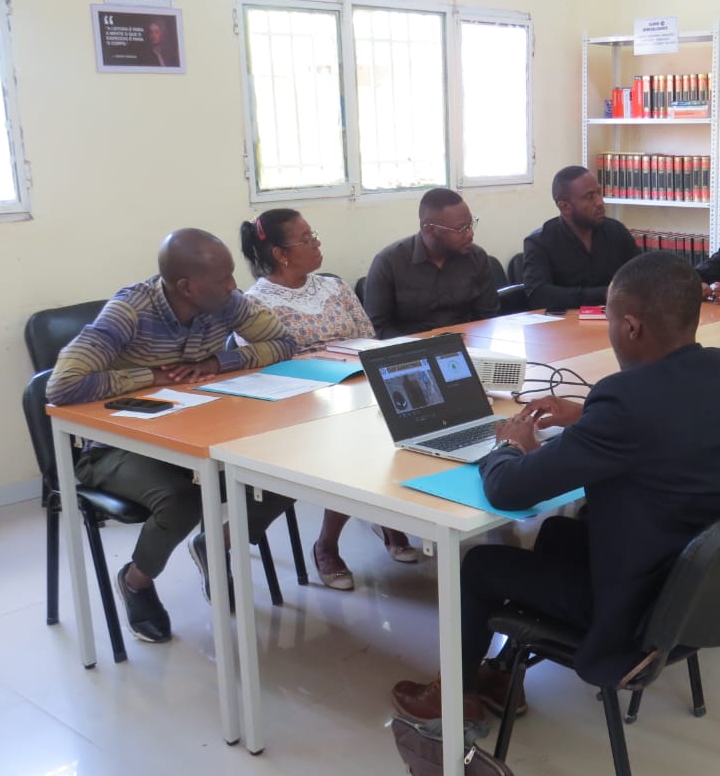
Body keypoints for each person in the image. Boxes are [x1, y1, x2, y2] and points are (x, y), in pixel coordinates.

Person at [390, 252, 720, 723]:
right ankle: (501, 673)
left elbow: (508, 491)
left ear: (631, 327)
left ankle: (454, 697)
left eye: (610, 320)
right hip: (708, 587)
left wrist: (509, 444)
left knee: (479, 565)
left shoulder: (626, 403)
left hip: (645, 609)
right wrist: (591, 416)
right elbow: (672, 419)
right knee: (557, 534)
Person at [48, 229, 298, 643]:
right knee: (181, 500)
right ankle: (136, 581)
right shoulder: (130, 311)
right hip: (115, 448)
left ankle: (214, 545)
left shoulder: (225, 302)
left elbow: (284, 342)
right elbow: (62, 385)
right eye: (222, 278)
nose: (233, 285)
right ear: (186, 287)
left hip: (191, 432)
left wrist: (219, 362)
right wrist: (151, 376)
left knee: (283, 474)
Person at [239, 209, 417, 578]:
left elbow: (367, 337)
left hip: (356, 389)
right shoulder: (255, 304)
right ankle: (327, 544)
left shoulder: (334, 287)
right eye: (306, 239)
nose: (317, 243)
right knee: (357, 445)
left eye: (313, 234)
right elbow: (259, 370)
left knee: (407, 419)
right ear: (280, 254)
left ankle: (387, 516)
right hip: (298, 406)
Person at [362, 188, 499, 338]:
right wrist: (421, 346)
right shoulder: (388, 263)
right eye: (461, 229)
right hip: (412, 348)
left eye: (471, 225)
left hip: (467, 345)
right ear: (431, 229)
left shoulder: (476, 257)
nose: (470, 234)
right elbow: (377, 328)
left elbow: (488, 317)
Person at [522, 165, 641, 310]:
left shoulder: (616, 231)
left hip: (616, 318)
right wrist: (605, 294)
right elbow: (538, 295)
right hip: (566, 322)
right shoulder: (539, 242)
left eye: (599, 193)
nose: (600, 202)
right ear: (565, 207)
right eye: (590, 197)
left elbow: (640, 278)